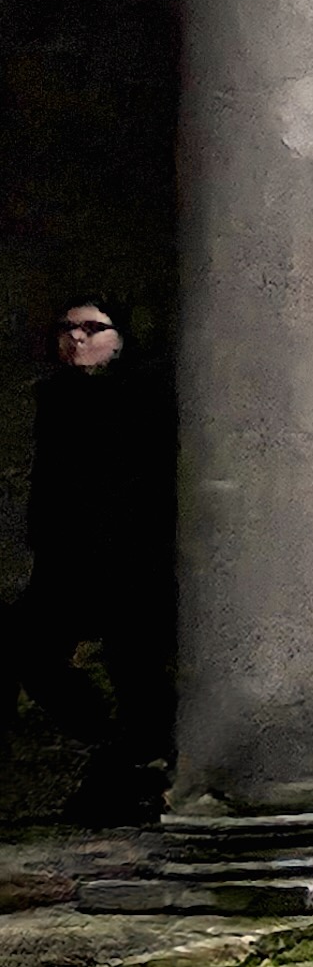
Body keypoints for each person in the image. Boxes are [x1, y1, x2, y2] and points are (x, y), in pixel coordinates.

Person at [8, 294, 170, 816]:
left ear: (120, 337)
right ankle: (111, 739)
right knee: (26, 647)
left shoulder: (146, 392)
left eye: (92, 328)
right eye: (67, 328)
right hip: (67, 559)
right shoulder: (55, 396)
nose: (75, 337)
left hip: (134, 558)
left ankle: (137, 762)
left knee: (136, 667)